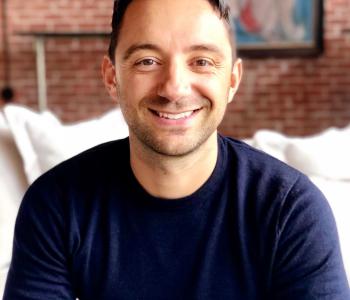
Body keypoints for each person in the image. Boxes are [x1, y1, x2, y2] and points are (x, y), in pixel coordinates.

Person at [3, 0, 350, 299]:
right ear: (112, 77)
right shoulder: (56, 205)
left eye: (201, 61)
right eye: (147, 61)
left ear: (231, 79)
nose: (173, 88)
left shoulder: (292, 211)